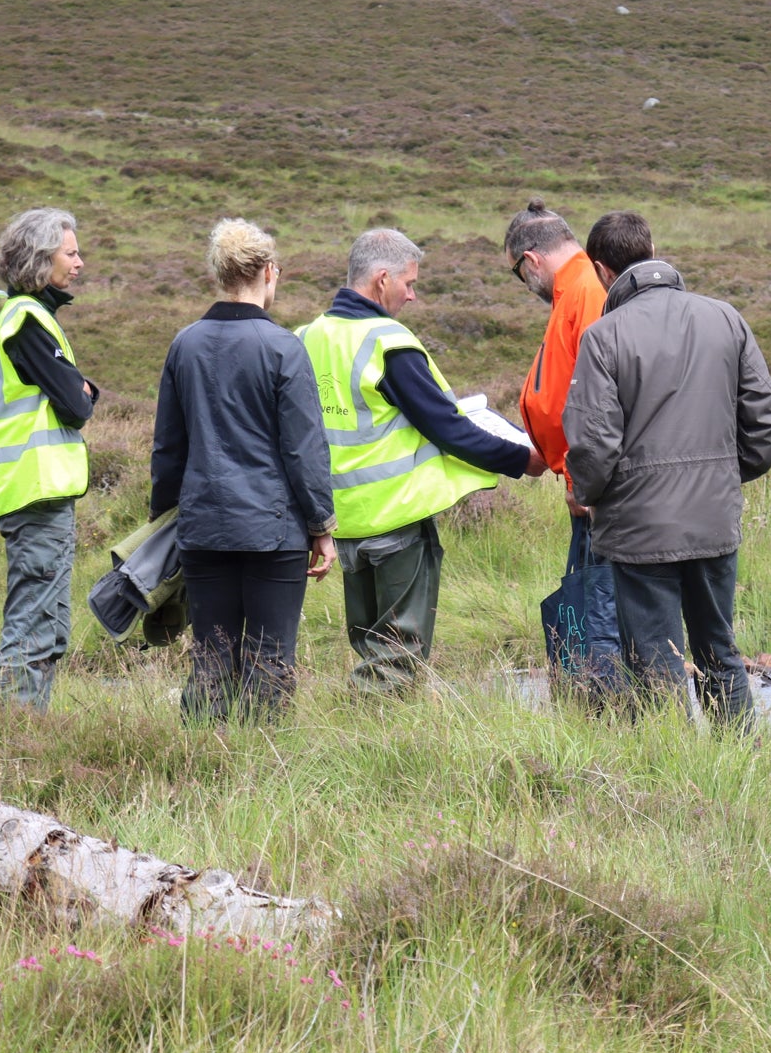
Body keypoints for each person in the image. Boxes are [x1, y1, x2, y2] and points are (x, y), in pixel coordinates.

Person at [563, 211, 771, 725]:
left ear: (600, 271)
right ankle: (740, 773)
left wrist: (591, 494)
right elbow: (765, 425)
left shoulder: (602, 337)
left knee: (653, 664)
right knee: (720, 655)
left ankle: (671, 786)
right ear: (652, 249)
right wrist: (721, 477)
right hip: (712, 521)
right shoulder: (726, 318)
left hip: (639, 533)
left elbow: (593, 446)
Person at [299, 227, 542, 690]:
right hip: (396, 521)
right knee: (396, 654)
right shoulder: (387, 342)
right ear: (382, 279)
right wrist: (522, 459)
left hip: (339, 525)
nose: (412, 296)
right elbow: (449, 429)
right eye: (409, 284)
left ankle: (358, 736)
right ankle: (380, 751)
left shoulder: (307, 336)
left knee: (368, 643)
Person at [150, 219, 336, 721]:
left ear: (219, 273)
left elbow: (168, 447)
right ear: (269, 272)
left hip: (203, 528)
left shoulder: (184, 344)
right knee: (271, 659)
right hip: (273, 533)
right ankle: (261, 767)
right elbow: (304, 450)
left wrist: (164, 520)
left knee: (210, 658)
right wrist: (321, 526)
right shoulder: (283, 348)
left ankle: (201, 764)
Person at [0, 207, 99, 709]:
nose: (80, 263)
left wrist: (82, 391)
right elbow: (76, 404)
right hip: (35, 492)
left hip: (36, 493)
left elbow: (75, 396)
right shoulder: (26, 320)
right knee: (33, 624)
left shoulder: (28, 316)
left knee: (46, 625)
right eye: (70, 253)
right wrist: (83, 391)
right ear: (41, 258)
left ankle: (24, 727)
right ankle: (11, 732)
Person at [507, 199, 606, 571]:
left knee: (599, 611)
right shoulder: (575, 289)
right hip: (585, 482)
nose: (525, 284)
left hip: (593, 490)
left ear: (531, 260)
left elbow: (599, 396)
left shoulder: (586, 291)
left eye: (517, 272)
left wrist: (582, 482)